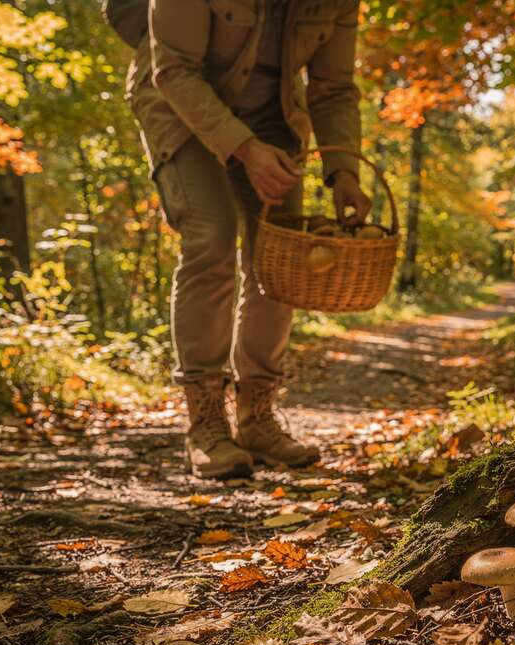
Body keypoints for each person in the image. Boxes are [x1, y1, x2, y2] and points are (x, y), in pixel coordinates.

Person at [114, 0, 372, 479]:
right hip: (178, 102)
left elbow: (334, 87)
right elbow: (172, 71)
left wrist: (345, 171)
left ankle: (257, 417)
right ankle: (207, 424)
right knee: (211, 238)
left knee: (279, 260)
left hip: (271, 117)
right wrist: (244, 149)